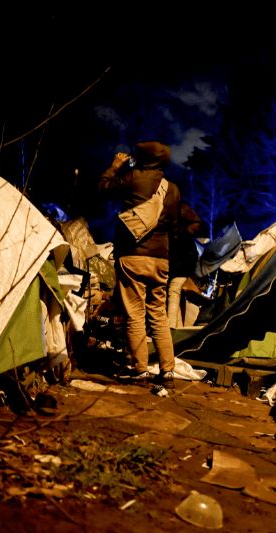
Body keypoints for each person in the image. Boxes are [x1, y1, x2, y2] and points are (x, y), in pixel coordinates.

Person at [98, 142, 181, 389]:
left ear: (144, 158)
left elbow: (102, 189)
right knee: (158, 313)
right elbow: (175, 228)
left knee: (135, 312)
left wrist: (114, 166)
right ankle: (167, 369)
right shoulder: (173, 189)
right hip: (161, 258)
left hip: (132, 255)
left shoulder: (134, 177)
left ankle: (140, 369)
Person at [167, 201, 208, 328]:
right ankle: (177, 327)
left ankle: (171, 325)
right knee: (176, 294)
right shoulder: (185, 237)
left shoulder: (179, 235)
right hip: (184, 266)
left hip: (180, 266)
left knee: (173, 291)